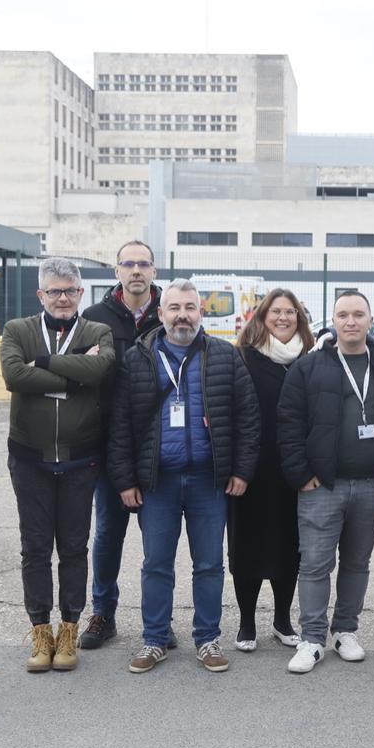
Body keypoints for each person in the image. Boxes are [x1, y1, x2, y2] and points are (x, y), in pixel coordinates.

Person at [107, 279, 260, 674]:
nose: (182, 315)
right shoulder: (138, 359)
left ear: (201, 313)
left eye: (190, 307)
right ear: (161, 313)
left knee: (209, 564)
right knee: (156, 563)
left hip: (209, 481)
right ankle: (154, 638)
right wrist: (125, 480)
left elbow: (248, 418)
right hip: (156, 482)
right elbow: (119, 424)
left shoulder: (224, 356)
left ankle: (207, 639)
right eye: (174, 307)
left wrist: (242, 470)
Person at [0, 257, 115, 672]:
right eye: (54, 291)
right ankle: (40, 632)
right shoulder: (18, 330)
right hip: (29, 459)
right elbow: (14, 376)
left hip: (80, 460)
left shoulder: (97, 331)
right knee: (34, 549)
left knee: (72, 548)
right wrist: (75, 371)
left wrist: (45, 363)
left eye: (70, 290)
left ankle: (69, 630)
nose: (62, 298)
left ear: (82, 293)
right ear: (40, 295)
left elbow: (100, 368)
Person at [276, 290, 374, 674]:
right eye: (343, 314)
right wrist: (302, 475)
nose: (351, 321)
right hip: (322, 486)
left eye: (358, 314)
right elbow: (288, 424)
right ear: (332, 320)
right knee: (314, 564)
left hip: (371, 484)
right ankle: (312, 638)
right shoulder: (309, 368)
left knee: (357, 563)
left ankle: (346, 630)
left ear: (370, 320)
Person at [77, 241, 164, 650]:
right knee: (109, 531)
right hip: (109, 445)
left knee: (157, 539)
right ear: (116, 271)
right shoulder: (94, 319)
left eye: (143, 264)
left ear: (154, 271)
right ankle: (102, 614)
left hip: (160, 445)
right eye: (128, 264)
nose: (136, 271)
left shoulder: (170, 313)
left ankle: (157, 622)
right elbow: (77, 375)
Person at [230, 288, 314, 651]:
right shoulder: (243, 358)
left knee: (289, 545)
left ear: (300, 318)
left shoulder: (311, 359)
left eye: (290, 312)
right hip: (249, 470)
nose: (283, 318)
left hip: (294, 470)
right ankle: (247, 621)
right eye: (276, 312)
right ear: (262, 317)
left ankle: (282, 619)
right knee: (245, 546)